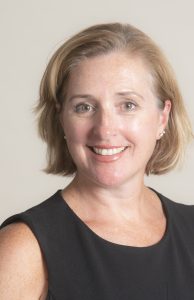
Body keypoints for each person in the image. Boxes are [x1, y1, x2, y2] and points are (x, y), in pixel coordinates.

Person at [0, 22, 193, 300]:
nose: (104, 129)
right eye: (84, 107)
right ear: (62, 120)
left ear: (162, 117)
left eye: (128, 105)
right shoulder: (23, 249)